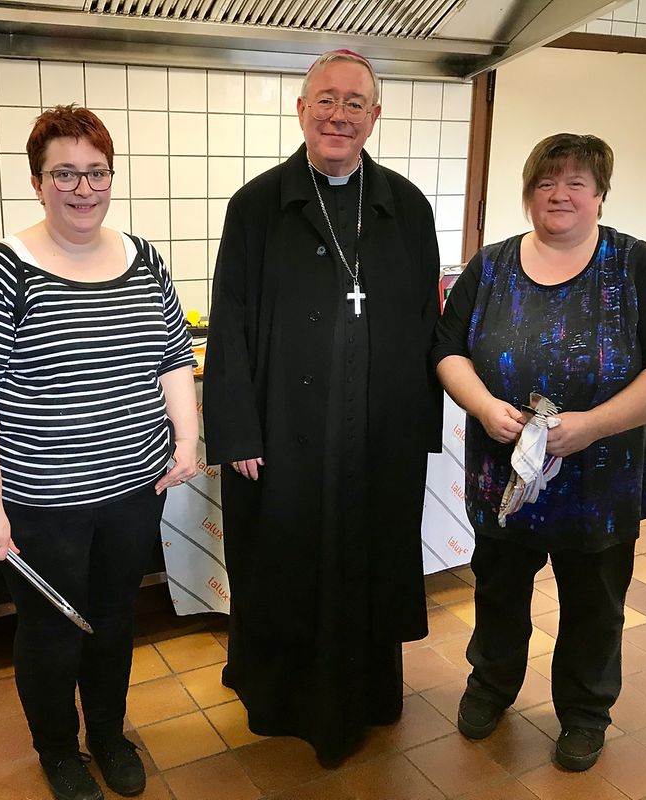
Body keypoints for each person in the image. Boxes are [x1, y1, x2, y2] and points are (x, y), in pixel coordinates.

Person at [0, 104, 198, 800]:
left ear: (111, 177)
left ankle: (108, 734)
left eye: (96, 172)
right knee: (52, 633)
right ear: (37, 182)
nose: (83, 189)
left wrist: (186, 440)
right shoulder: (0, 272)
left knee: (113, 622)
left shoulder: (144, 259)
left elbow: (174, 355)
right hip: (43, 503)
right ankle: (58, 750)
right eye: (65, 174)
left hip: (134, 490)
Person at [201, 50, 443, 766]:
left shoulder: (407, 207)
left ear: (375, 116)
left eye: (355, 103)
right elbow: (230, 323)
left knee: (369, 559)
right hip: (283, 435)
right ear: (302, 110)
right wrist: (237, 430)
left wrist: (417, 432)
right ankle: (281, 697)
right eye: (326, 100)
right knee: (284, 562)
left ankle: (368, 695)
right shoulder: (256, 205)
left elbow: (427, 326)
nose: (340, 115)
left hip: (377, 436)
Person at [433, 133, 646, 771]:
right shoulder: (490, 267)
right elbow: (446, 349)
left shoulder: (635, 266)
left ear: (600, 195)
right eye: (546, 183)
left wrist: (593, 426)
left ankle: (584, 713)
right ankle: (490, 686)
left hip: (600, 481)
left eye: (576, 183)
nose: (560, 195)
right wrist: (484, 406)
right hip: (506, 475)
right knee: (498, 592)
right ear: (528, 193)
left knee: (594, 604)